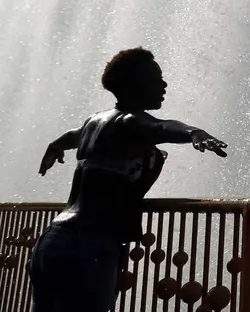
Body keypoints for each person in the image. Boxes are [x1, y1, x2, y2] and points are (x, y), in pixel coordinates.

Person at [29, 47, 228, 312]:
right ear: (136, 83)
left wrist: (55, 146)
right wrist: (194, 133)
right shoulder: (130, 121)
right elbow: (162, 127)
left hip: (54, 239)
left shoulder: (95, 120)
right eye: (156, 78)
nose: (164, 84)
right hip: (91, 245)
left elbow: (71, 136)